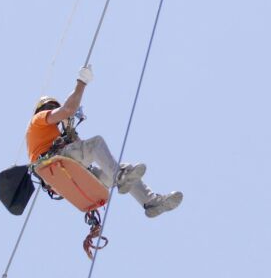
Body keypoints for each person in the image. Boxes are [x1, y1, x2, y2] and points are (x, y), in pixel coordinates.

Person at [26, 66, 183, 218]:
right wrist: (81, 83)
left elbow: (83, 152)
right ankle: (119, 176)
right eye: (50, 107)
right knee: (96, 143)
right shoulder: (38, 120)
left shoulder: (54, 136)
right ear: (42, 109)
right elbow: (67, 110)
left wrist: (70, 132)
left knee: (127, 170)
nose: (53, 111)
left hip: (65, 174)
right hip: (54, 165)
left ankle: (151, 202)